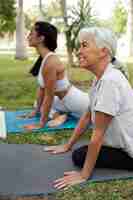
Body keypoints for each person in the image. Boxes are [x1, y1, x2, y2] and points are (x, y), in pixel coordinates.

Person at [45, 26, 133, 189]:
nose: (78, 51)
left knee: (80, 156)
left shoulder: (110, 81)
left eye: (84, 45)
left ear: (103, 51)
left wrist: (84, 175)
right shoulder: (101, 77)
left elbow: (98, 133)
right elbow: (87, 116)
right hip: (120, 143)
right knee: (80, 152)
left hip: (129, 152)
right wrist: (67, 145)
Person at [24, 21, 89, 129]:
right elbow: (42, 89)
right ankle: (59, 116)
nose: (28, 36)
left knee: (93, 115)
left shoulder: (50, 62)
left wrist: (41, 123)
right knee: (37, 104)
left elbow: (49, 96)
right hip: (62, 102)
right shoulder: (44, 59)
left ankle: (60, 115)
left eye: (31, 33)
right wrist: (35, 112)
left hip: (76, 102)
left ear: (41, 38)